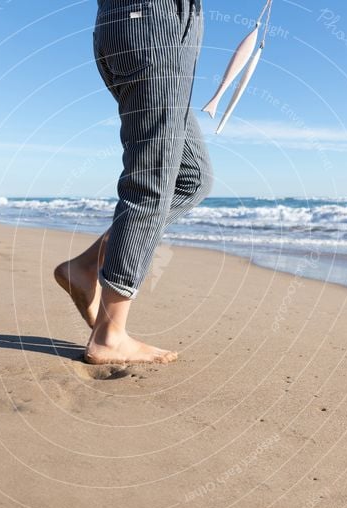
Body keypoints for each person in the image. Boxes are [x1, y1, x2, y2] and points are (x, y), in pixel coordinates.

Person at [55, 0, 213, 365]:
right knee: (152, 181)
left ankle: (86, 267)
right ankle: (110, 337)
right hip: (152, 24)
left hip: (151, 25)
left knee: (192, 178)